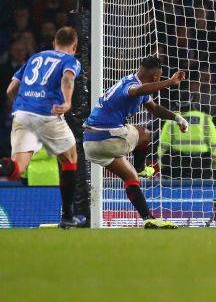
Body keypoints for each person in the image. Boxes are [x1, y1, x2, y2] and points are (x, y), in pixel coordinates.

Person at [83, 56, 188, 229]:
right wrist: (169, 82)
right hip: (106, 136)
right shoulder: (130, 86)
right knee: (145, 133)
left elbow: (155, 109)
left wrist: (176, 117)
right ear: (155, 77)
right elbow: (135, 91)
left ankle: (148, 218)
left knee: (129, 177)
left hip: (90, 144)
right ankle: (141, 168)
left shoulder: (134, 83)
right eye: (159, 78)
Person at [0, 27, 82, 228]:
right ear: (74, 46)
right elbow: (68, 78)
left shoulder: (34, 58)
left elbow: (10, 89)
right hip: (47, 114)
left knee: (17, 170)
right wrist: (68, 102)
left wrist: (23, 105)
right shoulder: (69, 60)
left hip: (22, 113)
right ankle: (68, 216)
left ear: (54, 43)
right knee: (70, 158)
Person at [158, 101, 216, 179]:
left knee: (178, 189)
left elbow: (163, 145)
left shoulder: (171, 119)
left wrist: (161, 165)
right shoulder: (204, 118)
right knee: (201, 189)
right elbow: (215, 145)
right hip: (201, 164)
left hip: (178, 165)